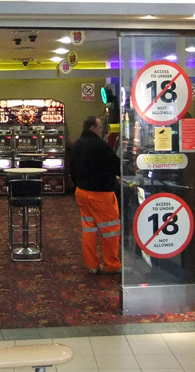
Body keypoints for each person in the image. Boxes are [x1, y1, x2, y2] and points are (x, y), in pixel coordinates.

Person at [70, 115, 122, 274]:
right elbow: (117, 166)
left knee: (89, 229)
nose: (101, 130)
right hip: (101, 194)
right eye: (100, 127)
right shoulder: (101, 145)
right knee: (110, 230)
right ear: (92, 128)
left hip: (82, 192)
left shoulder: (77, 143)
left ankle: (92, 265)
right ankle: (111, 264)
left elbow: (72, 169)